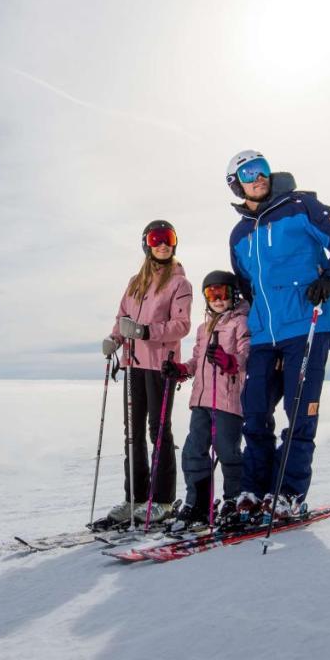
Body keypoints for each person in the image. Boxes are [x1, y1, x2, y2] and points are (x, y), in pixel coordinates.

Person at [224, 150, 330, 521]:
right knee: (254, 412)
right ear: (236, 184)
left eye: (262, 169)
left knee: (299, 411)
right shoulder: (238, 235)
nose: (258, 177)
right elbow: (248, 285)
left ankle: (289, 493)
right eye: (249, 173)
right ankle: (254, 490)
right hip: (265, 334)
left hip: (307, 323)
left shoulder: (302, 206)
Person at [99, 220, 192, 525]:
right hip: (133, 364)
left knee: (159, 431)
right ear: (146, 244)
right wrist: (115, 339)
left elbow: (181, 326)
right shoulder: (135, 282)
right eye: (156, 239)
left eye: (168, 239)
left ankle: (162, 501)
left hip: (160, 365)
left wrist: (144, 330)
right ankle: (136, 498)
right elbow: (122, 318)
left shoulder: (179, 284)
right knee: (133, 433)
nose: (163, 244)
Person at [162, 270, 251, 530]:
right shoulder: (204, 328)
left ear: (234, 295)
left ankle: (235, 501)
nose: (217, 298)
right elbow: (196, 360)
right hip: (201, 400)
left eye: (222, 293)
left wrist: (230, 361)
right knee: (193, 451)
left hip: (227, 400)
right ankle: (198, 503)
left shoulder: (241, 323)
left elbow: (246, 356)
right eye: (211, 293)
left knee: (227, 451)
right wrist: (181, 370)